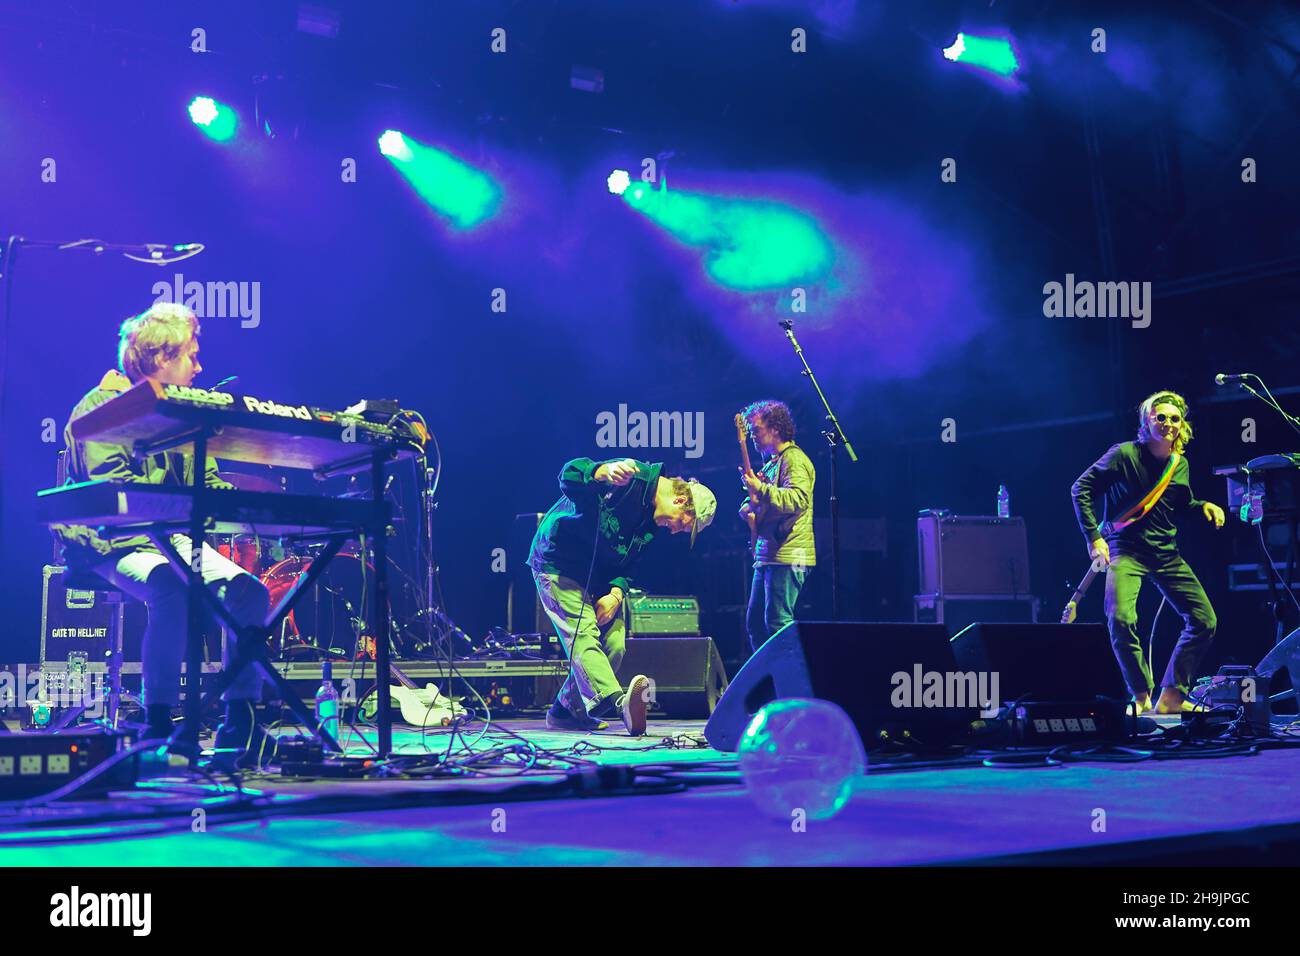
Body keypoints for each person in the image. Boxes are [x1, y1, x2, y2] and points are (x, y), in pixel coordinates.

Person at [52, 303, 271, 766]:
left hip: (173, 539)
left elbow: (208, 483)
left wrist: (250, 506)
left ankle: (240, 719)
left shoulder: (186, 414)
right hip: (113, 542)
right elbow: (115, 494)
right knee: (170, 586)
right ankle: (158, 721)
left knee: (250, 591)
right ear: (160, 359)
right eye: (191, 355)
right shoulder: (99, 408)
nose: (199, 366)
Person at [528, 457, 716, 735]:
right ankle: (619, 704)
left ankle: (565, 711)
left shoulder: (651, 524)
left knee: (614, 643)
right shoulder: (631, 477)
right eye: (685, 525)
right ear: (680, 501)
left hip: (596, 579)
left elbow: (630, 565)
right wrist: (600, 472)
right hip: (559, 564)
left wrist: (616, 594)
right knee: (583, 634)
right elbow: (568, 476)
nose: (676, 531)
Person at [1070, 390, 1225, 714]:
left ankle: (1172, 697)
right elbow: (1081, 488)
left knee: (1203, 620)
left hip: (1166, 553)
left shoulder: (1178, 464)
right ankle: (1141, 696)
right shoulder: (1123, 454)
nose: (1168, 423)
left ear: (1182, 425)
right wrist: (1093, 537)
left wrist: (1204, 506)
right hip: (1125, 551)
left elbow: (1179, 504)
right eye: (1161, 417)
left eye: (1174, 418)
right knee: (1121, 618)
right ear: (1147, 421)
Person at [738, 399, 816, 653]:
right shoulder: (772, 463)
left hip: (788, 554)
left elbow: (798, 499)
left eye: (756, 430)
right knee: (756, 625)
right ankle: (771, 684)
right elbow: (770, 501)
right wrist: (752, 506)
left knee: (778, 624)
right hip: (769, 555)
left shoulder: (794, 459)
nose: (752, 437)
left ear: (775, 428)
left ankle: (793, 683)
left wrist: (761, 489)